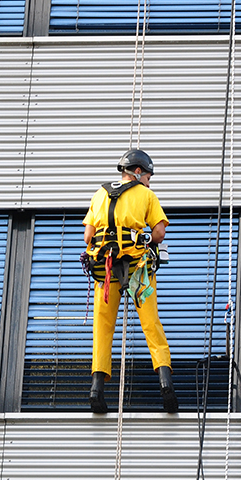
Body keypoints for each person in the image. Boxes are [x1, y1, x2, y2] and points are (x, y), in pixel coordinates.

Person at [83, 149, 178, 414]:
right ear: (138, 172)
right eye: (148, 176)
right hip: (137, 268)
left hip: (106, 269)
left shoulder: (100, 194)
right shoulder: (146, 195)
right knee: (151, 324)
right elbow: (158, 233)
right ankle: (165, 383)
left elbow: (87, 236)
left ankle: (96, 389)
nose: (149, 182)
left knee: (102, 329)